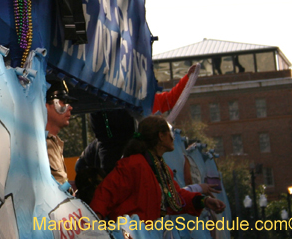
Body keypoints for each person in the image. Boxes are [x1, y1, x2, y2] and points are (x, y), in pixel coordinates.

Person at [89, 115, 226, 222]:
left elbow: (175, 198)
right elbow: (106, 193)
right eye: (169, 134)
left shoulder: (161, 168)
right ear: (161, 136)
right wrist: (96, 226)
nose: (172, 138)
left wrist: (204, 201)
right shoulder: (133, 165)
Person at [45, 78, 72, 185]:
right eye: (62, 101)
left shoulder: (55, 142)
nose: (69, 107)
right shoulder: (39, 143)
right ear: (46, 106)